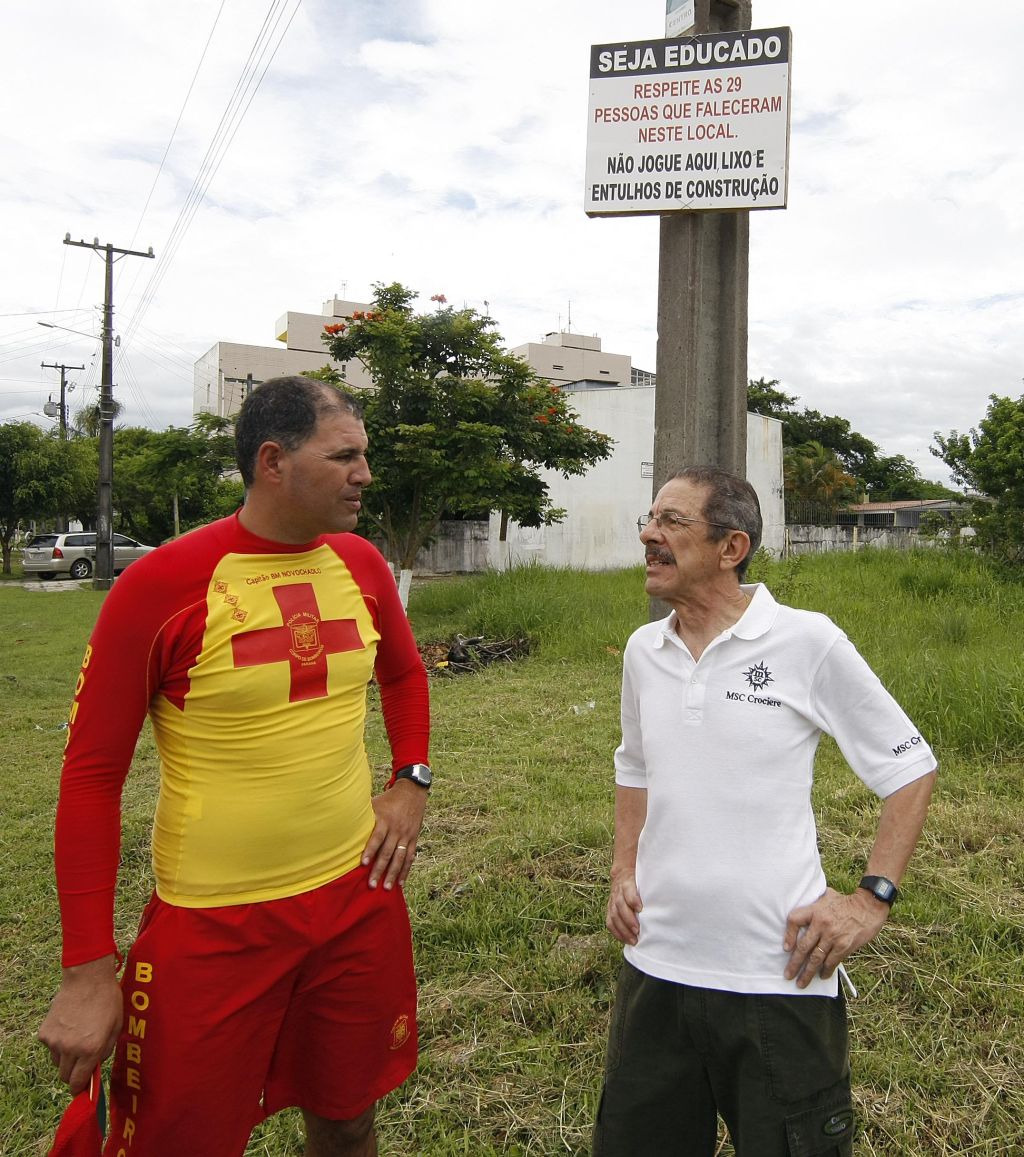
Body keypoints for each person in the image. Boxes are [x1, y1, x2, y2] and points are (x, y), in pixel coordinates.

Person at [39, 376, 432, 1157]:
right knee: (180, 1141)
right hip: (213, 925)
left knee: (349, 1116)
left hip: (356, 900)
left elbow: (404, 673)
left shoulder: (361, 565)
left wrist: (410, 778)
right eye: (345, 455)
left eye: (366, 455)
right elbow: (89, 778)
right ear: (273, 461)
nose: (366, 474)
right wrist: (88, 970)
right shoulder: (161, 585)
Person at [592, 466, 936, 1157]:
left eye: (672, 522)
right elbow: (635, 765)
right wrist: (622, 866)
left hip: (778, 976)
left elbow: (909, 767)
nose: (649, 535)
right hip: (656, 966)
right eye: (649, 518)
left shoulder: (807, 641)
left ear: (732, 547)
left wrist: (871, 899)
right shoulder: (643, 649)